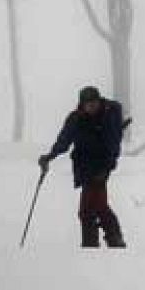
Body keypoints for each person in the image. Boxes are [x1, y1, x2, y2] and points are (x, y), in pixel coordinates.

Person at [38, 85, 127, 249]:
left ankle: (96, 243)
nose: (92, 106)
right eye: (88, 103)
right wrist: (50, 156)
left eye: (94, 102)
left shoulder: (108, 116)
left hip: (101, 166)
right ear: (82, 104)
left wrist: (108, 166)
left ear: (99, 101)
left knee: (89, 208)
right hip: (84, 167)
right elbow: (64, 141)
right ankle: (110, 240)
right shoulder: (76, 119)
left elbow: (113, 144)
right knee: (97, 206)